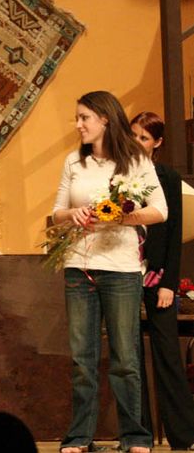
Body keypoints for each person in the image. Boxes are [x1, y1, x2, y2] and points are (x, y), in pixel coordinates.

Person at [53, 92, 167, 453]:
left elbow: (160, 210)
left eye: (84, 117)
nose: (78, 124)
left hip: (120, 268)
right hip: (78, 266)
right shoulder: (74, 161)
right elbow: (57, 212)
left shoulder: (135, 160)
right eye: (77, 117)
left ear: (104, 118)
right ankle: (79, 437)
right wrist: (72, 215)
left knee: (125, 359)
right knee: (82, 359)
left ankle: (134, 437)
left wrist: (121, 216)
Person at [131, 111, 194, 450]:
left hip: (159, 279)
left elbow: (172, 233)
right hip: (125, 274)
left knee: (167, 354)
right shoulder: (118, 174)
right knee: (129, 360)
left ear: (157, 143)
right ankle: (138, 435)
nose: (137, 143)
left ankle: (182, 436)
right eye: (134, 136)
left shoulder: (167, 177)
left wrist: (169, 282)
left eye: (144, 137)